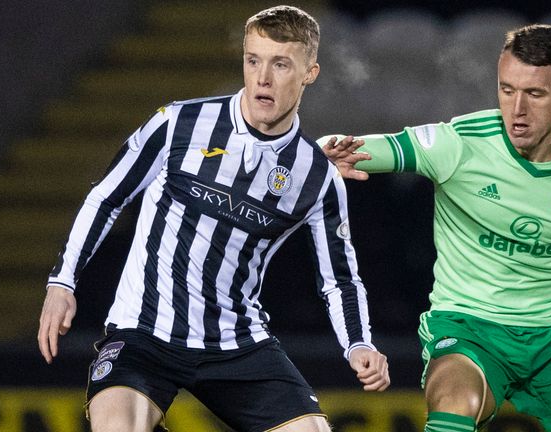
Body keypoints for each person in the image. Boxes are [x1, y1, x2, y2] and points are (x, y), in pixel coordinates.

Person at [320, 24, 551, 432]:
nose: (516, 110)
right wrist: (327, 149)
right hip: (469, 329)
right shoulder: (459, 144)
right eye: (506, 90)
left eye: (534, 94)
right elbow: (351, 146)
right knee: (454, 403)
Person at [37, 5, 390, 432]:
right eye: (253, 60)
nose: (262, 78)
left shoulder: (316, 176)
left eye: (280, 64)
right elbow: (106, 197)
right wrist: (62, 281)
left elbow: (340, 279)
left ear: (309, 73)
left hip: (236, 344)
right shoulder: (179, 123)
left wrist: (358, 344)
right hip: (143, 332)